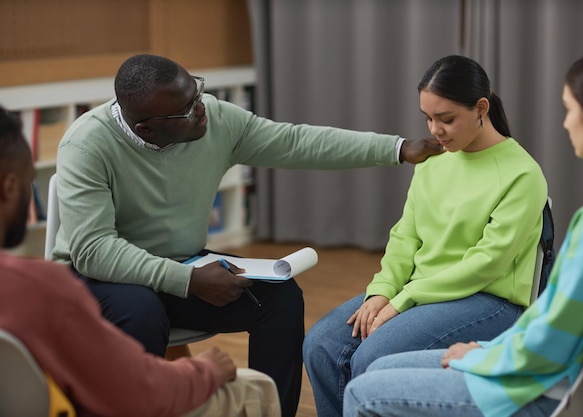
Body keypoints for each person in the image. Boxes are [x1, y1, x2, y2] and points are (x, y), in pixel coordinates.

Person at [50, 53, 443, 417]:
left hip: (183, 267)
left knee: (279, 298)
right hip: (100, 280)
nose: (202, 108)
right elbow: (93, 249)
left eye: (198, 91)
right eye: (187, 109)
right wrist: (188, 281)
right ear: (146, 127)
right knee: (140, 309)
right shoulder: (88, 143)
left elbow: (295, 142)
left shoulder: (214, 120)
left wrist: (397, 148)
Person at [342, 46, 583, 417]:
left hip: (532, 384)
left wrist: (484, 357)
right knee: (370, 366)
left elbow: (555, 332)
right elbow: (555, 317)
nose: (564, 122)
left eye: (569, 109)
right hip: (531, 368)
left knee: (364, 390)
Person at [303, 54, 548, 417]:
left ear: (481, 107)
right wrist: (382, 290)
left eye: (446, 119)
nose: (435, 130)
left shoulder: (523, 175)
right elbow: (405, 236)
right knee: (321, 344)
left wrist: (406, 298)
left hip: (488, 300)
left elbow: (488, 262)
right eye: (428, 118)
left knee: (374, 354)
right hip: (421, 292)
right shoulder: (434, 161)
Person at [0, 106, 281, 417]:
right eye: (29, 182)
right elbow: (137, 392)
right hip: (126, 366)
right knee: (254, 389)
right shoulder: (40, 290)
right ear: (8, 187)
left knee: (278, 295)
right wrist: (206, 369)